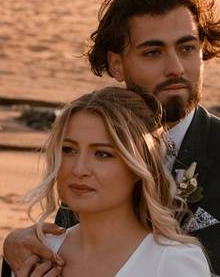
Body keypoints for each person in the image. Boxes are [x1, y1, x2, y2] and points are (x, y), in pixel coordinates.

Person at [3, 0, 220, 277]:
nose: (175, 67)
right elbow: (73, 248)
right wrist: (14, 247)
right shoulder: (86, 150)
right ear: (117, 65)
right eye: (152, 53)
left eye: (186, 48)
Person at [23, 86, 210, 276]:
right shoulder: (37, 254)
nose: (78, 169)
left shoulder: (172, 262)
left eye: (102, 154)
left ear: (139, 166)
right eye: (69, 150)